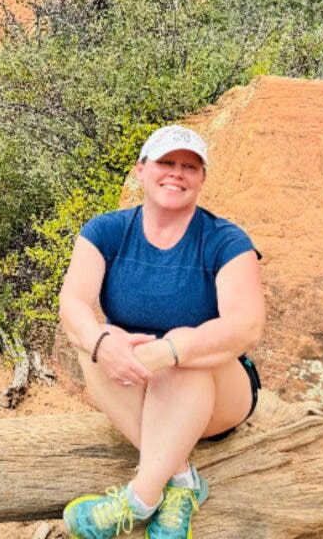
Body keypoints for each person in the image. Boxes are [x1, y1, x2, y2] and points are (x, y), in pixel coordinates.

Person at [58, 124, 265, 539]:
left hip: (217, 391)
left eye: (190, 166)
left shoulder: (225, 240)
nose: (177, 173)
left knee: (184, 358)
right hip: (139, 380)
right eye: (166, 162)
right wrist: (102, 341)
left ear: (202, 179)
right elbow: (73, 304)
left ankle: (140, 498)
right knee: (93, 346)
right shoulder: (106, 231)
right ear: (141, 169)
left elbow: (246, 325)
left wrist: (173, 349)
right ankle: (182, 482)